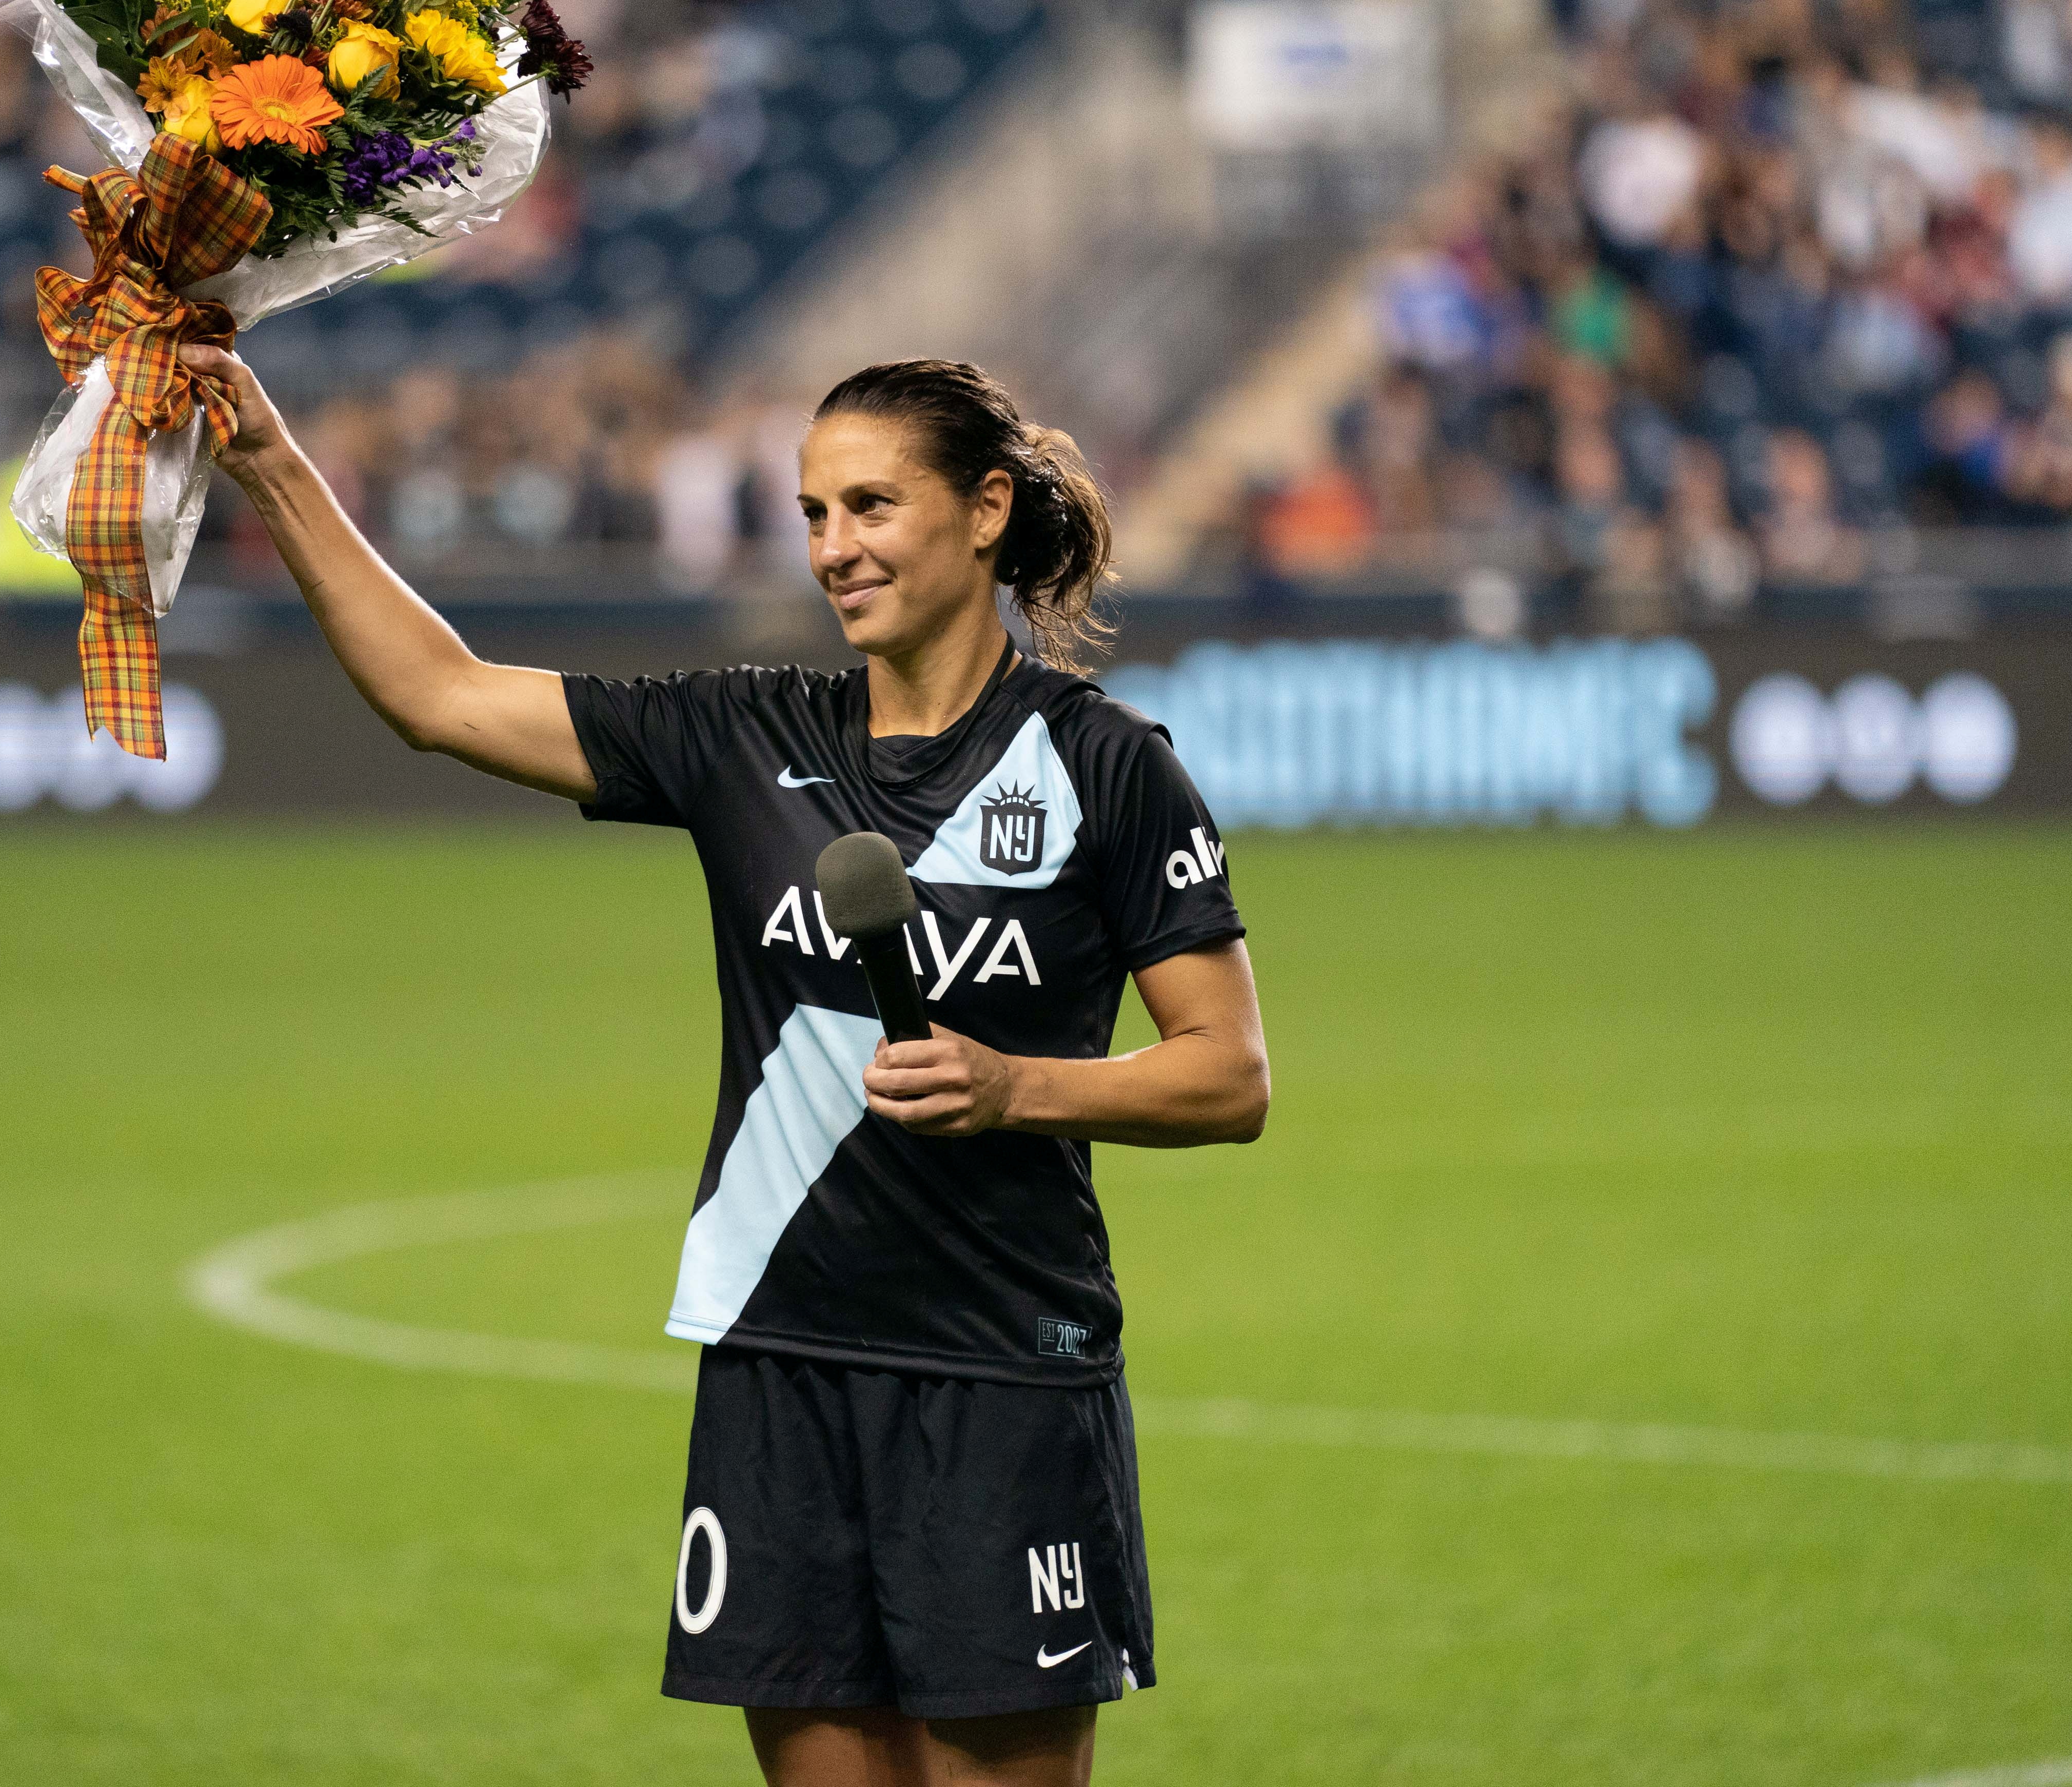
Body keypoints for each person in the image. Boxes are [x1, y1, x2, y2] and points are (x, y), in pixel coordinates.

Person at [179, 344, 1272, 1786]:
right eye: (814, 513)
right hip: (778, 1364)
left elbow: (1227, 1074)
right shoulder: (738, 736)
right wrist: (266, 460)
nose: (835, 547)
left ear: (987, 509)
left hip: (998, 1376)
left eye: (871, 506)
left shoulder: (1109, 765)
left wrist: (1022, 1089)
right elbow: (439, 697)